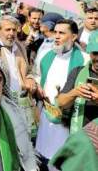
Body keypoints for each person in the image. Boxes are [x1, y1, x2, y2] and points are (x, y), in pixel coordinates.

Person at [35, 19, 89, 170]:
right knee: (44, 158)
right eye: (55, 32)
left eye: (62, 33)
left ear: (73, 37)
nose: (56, 37)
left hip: (68, 120)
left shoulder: (84, 59)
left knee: (63, 162)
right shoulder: (45, 55)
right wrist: (35, 83)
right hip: (46, 117)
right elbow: (38, 75)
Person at [56, 29, 98, 132]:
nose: (97, 58)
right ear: (89, 52)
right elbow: (61, 102)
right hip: (79, 137)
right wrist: (75, 92)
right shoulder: (78, 72)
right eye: (95, 53)